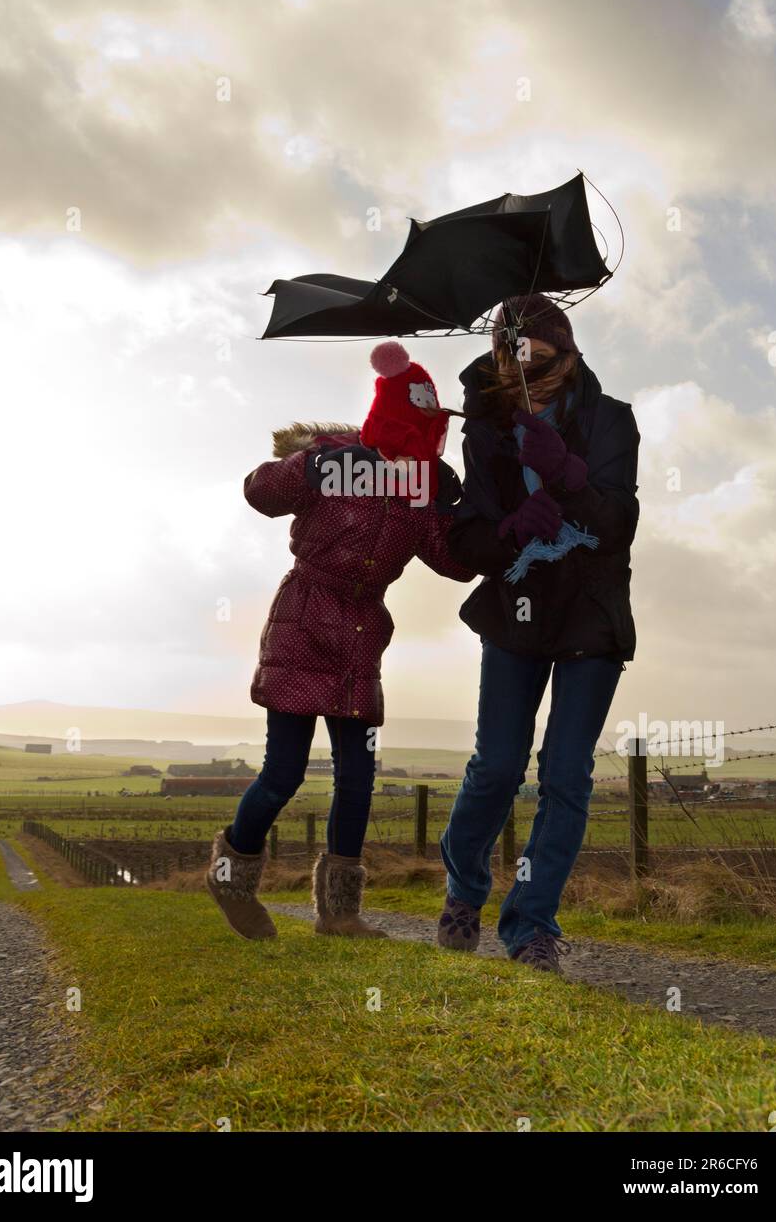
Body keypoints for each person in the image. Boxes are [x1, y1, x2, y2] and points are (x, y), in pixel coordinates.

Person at [206, 341, 475, 940]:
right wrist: (309, 466)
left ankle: (340, 914)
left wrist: (467, 510)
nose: (428, 438)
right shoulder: (334, 463)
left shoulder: (417, 489)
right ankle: (229, 876)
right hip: (303, 623)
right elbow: (258, 493)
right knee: (283, 774)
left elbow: (454, 563)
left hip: (360, 637)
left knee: (357, 777)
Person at [437, 293, 640, 973]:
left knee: (564, 776)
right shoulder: (485, 428)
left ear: (570, 353)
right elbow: (470, 538)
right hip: (516, 608)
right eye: (509, 362)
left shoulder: (612, 421)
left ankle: (529, 926)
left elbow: (615, 525)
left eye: (541, 362)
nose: (525, 377)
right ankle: (464, 889)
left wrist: (566, 477)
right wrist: (506, 530)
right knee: (496, 768)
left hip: (589, 613)